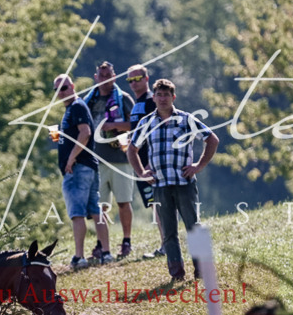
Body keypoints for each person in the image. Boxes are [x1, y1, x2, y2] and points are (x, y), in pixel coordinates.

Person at [127, 79, 218, 282]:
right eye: (159, 95)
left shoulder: (186, 119)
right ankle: (176, 274)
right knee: (168, 232)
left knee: (193, 227)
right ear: (154, 97)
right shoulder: (146, 122)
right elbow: (132, 149)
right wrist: (141, 172)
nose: (162, 99)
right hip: (159, 185)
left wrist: (199, 165)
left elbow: (212, 139)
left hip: (184, 183)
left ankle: (201, 270)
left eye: (166, 95)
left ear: (173, 97)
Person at [53, 74, 112, 269]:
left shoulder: (77, 106)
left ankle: (79, 256)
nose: (61, 93)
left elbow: (85, 133)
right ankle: (106, 253)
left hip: (78, 168)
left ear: (72, 86)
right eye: (57, 90)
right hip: (88, 166)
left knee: (77, 213)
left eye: (64, 87)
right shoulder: (72, 108)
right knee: (96, 211)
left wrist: (71, 158)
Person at [84, 61, 136, 259]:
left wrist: (113, 125)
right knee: (99, 206)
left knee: (124, 202)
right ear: (95, 77)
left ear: (114, 76)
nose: (105, 78)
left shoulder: (123, 99)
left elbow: (136, 124)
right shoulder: (88, 101)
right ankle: (101, 243)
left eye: (108, 75)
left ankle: (126, 241)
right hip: (96, 160)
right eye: (101, 75)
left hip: (120, 158)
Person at [125, 64, 166, 259]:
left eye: (137, 79)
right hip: (141, 165)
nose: (134, 83)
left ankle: (167, 245)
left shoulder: (151, 101)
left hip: (151, 163)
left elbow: (157, 131)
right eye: (130, 80)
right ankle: (165, 243)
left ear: (146, 78)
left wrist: (151, 161)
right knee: (155, 204)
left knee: (160, 202)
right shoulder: (137, 102)